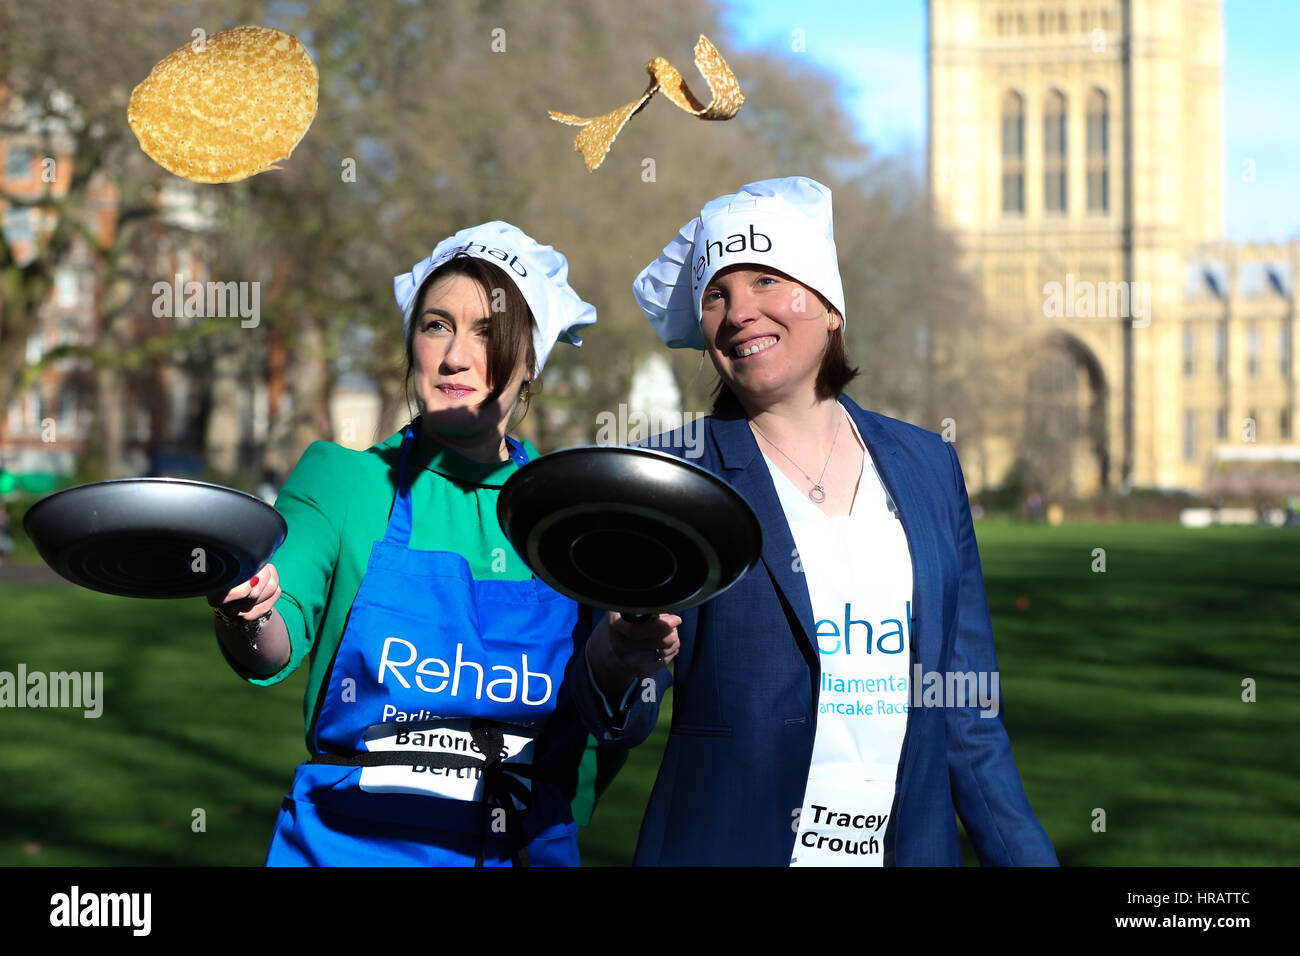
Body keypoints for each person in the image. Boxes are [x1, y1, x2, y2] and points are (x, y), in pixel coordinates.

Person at [569, 176, 1058, 866]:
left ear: (828, 306)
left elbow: (968, 716)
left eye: (767, 281)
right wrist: (619, 660)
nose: (740, 312)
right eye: (717, 294)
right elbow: (612, 714)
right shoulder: (673, 475)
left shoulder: (927, 464)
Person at [207, 221, 611, 866]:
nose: (455, 356)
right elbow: (268, 646)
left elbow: (616, 712)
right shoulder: (344, 481)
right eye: (436, 325)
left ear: (531, 359)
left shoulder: (578, 516)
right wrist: (246, 612)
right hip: (351, 844)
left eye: (488, 331)